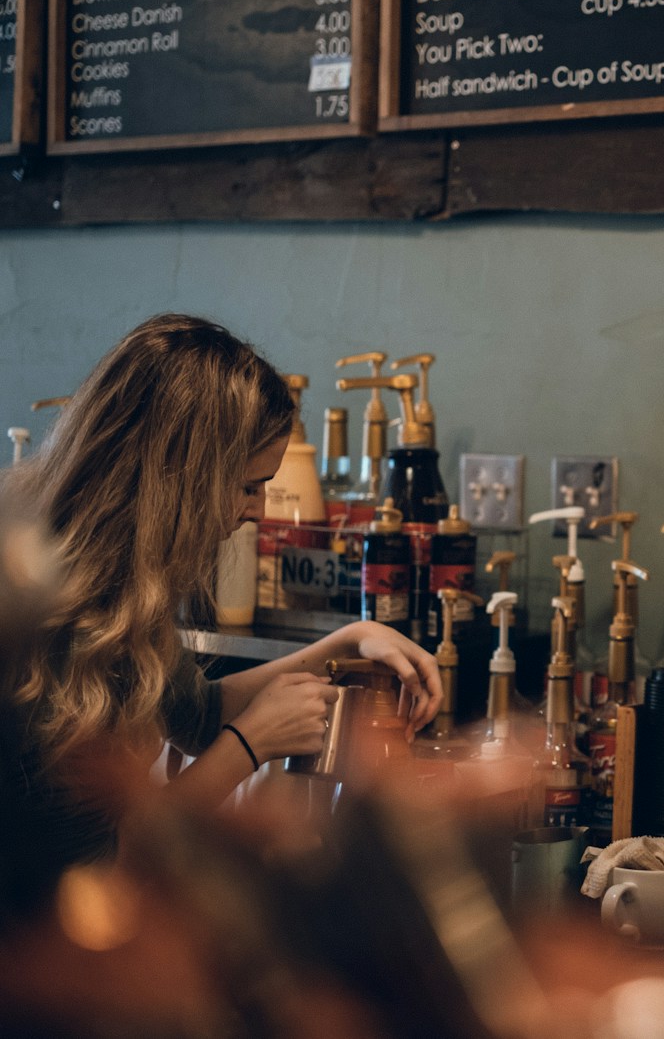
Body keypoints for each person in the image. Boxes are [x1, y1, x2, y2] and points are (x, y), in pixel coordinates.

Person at [0, 314, 442, 918]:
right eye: (246, 487)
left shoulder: (127, 589)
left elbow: (196, 715)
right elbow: (102, 876)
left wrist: (349, 640)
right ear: (175, 481)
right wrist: (249, 746)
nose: (259, 511)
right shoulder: (45, 617)